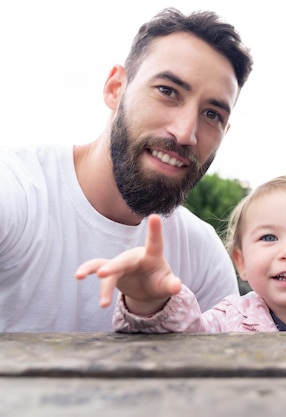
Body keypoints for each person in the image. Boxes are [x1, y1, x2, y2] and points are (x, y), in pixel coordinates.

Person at [0, 8, 253, 332]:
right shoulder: (19, 189)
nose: (186, 132)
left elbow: (217, 377)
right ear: (115, 88)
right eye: (167, 91)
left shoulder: (202, 253)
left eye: (212, 114)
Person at [76, 175, 286, 334]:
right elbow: (176, 335)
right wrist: (149, 300)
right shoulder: (225, 322)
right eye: (269, 237)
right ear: (240, 262)